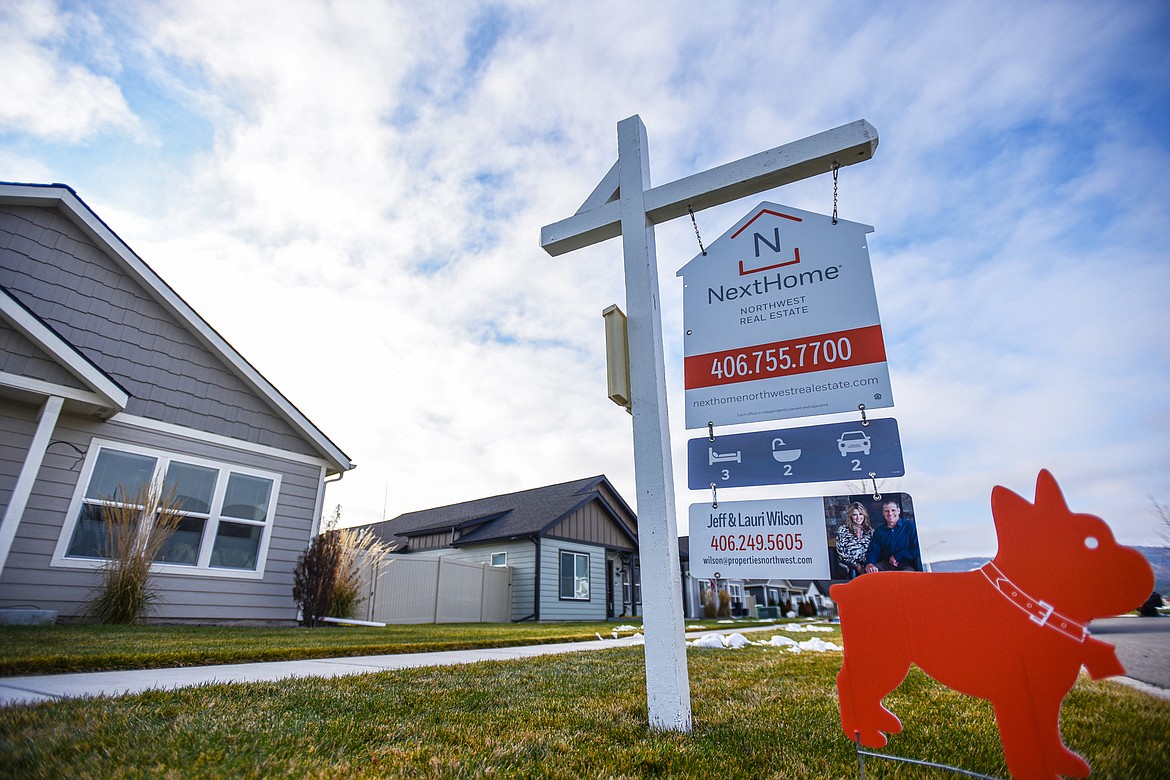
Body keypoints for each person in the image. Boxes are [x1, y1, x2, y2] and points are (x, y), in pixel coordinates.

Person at [865, 498, 920, 572]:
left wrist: (897, 556)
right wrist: (870, 563)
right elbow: (874, 550)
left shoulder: (910, 527)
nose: (890, 513)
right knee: (867, 573)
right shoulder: (879, 531)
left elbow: (917, 548)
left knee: (905, 579)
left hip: (907, 565)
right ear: (883, 513)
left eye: (893, 510)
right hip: (886, 565)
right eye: (886, 511)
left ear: (898, 511)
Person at [835, 501, 873, 579]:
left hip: (866, 564)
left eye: (860, 514)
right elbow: (842, 553)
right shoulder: (843, 530)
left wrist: (867, 564)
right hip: (850, 564)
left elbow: (874, 550)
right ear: (850, 516)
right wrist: (856, 564)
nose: (858, 518)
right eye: (855, 515)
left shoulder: (870, 531)